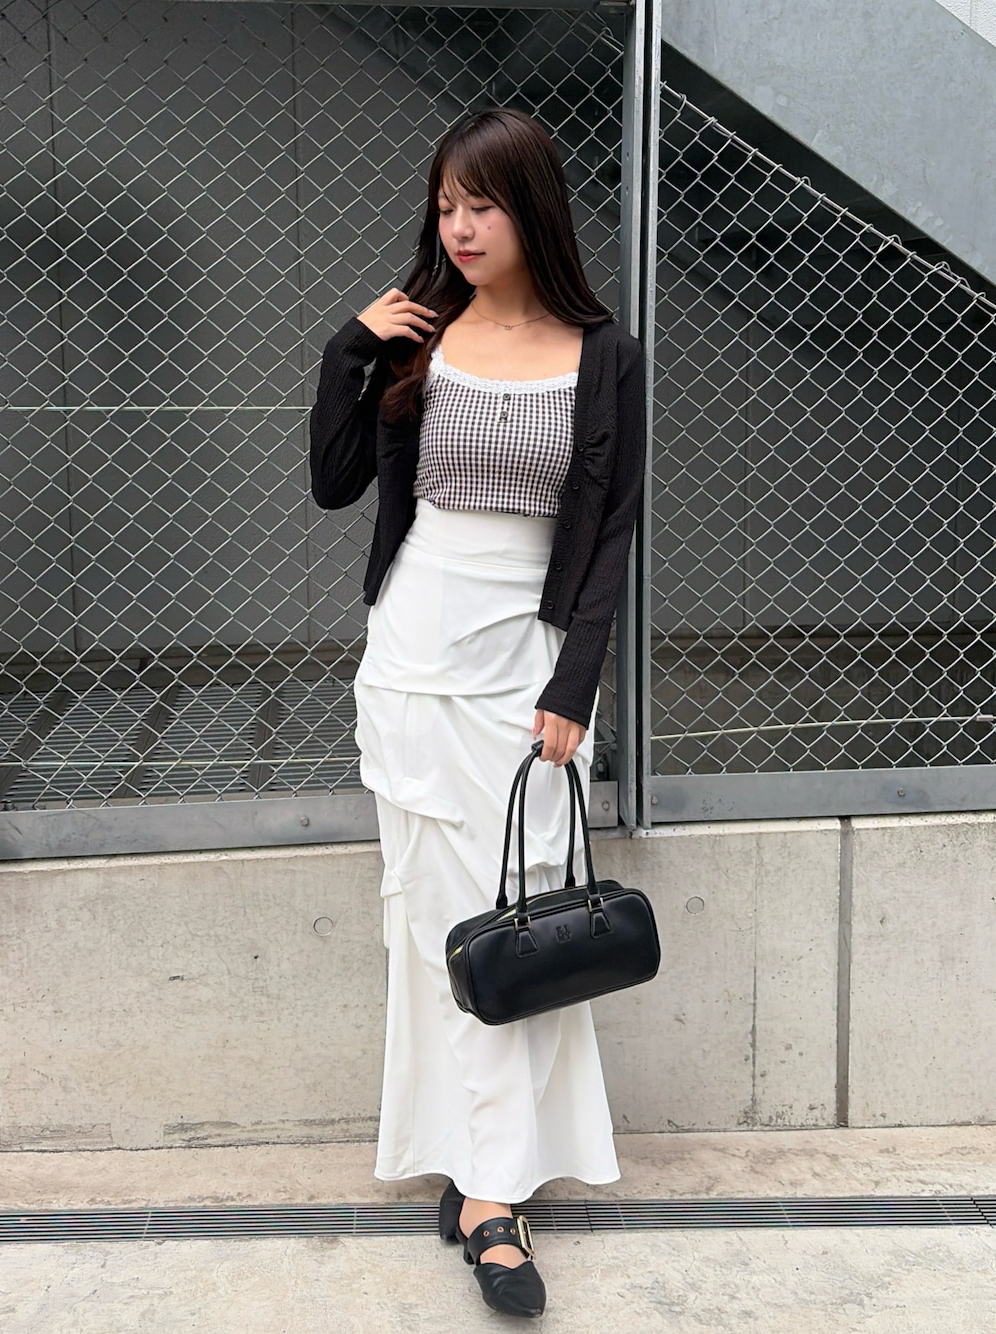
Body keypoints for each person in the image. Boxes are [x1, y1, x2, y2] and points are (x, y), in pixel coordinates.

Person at [309, 107, 645, 1320]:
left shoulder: (603, 354)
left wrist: (574, 685)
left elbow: (610, 532)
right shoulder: (421, 335)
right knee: (435, 922)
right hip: (413, 655)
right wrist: (346, 349)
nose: (458, 226)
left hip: (526, 666)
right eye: (445, 204)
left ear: (532, 209)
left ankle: (488, 1175)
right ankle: (485, 1189)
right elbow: (334, 482)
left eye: (482, 204)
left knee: (519, 908)